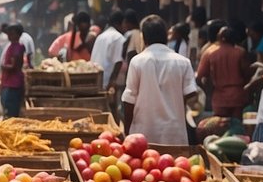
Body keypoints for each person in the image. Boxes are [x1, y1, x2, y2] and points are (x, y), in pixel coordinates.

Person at [121, 15, 197, 145]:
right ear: (166, 36)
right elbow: (191, 93)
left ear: (144, 37)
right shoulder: (183, 62)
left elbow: (129, 101)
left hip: (143, 136)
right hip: (174, 134)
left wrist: (127, 132)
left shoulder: (137, 62)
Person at [196, 26, 252, 118]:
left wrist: (208, 91)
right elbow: (247, 74)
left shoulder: (210, 53)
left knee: (219, 127)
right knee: (237, 126)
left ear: (219, 38)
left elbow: (199, 77)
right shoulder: (240, 52)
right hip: (238, 96)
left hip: (219, 98)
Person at [91, 11, 128, 113]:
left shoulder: (101, 36)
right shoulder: (118, 38)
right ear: (119, 23)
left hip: (95, 79)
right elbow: (118, 61)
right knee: (111, 110)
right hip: (107, 80)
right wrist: (112, 82)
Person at [0, 23, 27, 118]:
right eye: (9, 34)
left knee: (11, 110)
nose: (9, 36)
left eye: (12, 34)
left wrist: (4, 66)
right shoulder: (12, 46)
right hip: (9, 81)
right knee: (8, 107)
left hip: (13, 83)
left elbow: (14, 65)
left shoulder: (17, 47)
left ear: (18, 35)